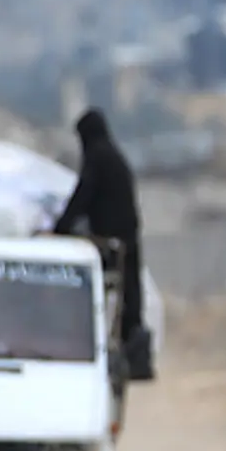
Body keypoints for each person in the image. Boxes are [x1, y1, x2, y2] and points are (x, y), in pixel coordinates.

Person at [53, 109, 146, 368]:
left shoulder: (98, 157)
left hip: (113, 238)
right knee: (129, 293)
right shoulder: (112, 155)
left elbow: (83, 196)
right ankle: (130, 343)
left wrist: (60, 229)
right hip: (127, 234)